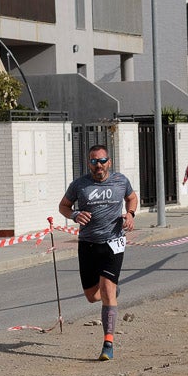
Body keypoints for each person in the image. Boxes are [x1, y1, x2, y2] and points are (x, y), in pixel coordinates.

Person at [58, 145, 138, 362]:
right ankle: (111, 292)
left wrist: (130, 215)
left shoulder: (121, 181)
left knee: (107, 290)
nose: (98, 165)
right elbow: (63, 206)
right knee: (92, 296)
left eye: (102, 161)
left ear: (109, 162)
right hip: (87, 245)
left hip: (113, 242)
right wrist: (75, 215)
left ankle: (108, 343)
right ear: (89, 164)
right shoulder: (79, 185)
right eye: (94, 162)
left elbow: (132, 198)